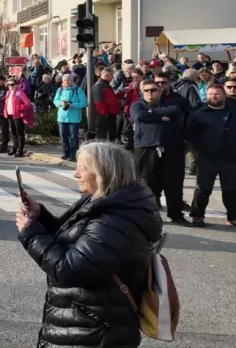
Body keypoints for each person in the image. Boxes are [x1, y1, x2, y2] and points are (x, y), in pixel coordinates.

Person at [17, 142, 162, 348]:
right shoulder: (104, 203)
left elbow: (70, 269)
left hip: (93, 330)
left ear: (104, 172)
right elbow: (74, 240)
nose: (76, 174)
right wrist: (41, 217)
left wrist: (31, 234)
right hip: (84, 321)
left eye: (82, 168)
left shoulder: (113, 221)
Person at [185, 85, 236, 229]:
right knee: (203, 189)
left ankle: (234, 217)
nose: (213, 96)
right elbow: (190, 134)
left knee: (231, 189)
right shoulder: (198, 114)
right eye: (210, 94)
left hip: (231, 158)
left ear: (224, 95)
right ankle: (197, 215)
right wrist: (201, 147)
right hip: (207, 157)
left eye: (217, 94)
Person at [131, 78, 189, 225]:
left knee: (174, 183)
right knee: (145, 183)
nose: (150, 93)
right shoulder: (137, 105)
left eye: (153, 90)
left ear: (160, 91)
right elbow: (139, 116)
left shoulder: (172, 104)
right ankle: (146, 215)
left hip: (171, 148)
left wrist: (151, 112)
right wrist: (161, 117)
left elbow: (175, 111)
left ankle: (176, 214)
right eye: (146, 90)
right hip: (145, 148)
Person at [54, 73, 88, 161]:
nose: (66, 82)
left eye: (68, 80)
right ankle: (66, 153)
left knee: (73, 137)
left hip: (74, 118)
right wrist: (61, 103)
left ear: (72, 81)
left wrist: (72, 105)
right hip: (62, 118)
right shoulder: (60, 90)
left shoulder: (78, 90)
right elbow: (55, 101)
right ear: (62, 81)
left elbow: (84, 102)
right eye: (65, 80)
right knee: (63, 136)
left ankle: (73, 155)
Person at [4, 78, 35, 158]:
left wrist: (19, 108)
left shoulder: (19, 92)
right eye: (9, 85)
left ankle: (20, 150)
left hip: (18, 115)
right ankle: (14, 148)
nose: (10, 86)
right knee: (13, 133)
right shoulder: (8, 93)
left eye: (12, 84)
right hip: (10, 114)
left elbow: (27, 103)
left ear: (16, 85)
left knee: (19, 133)